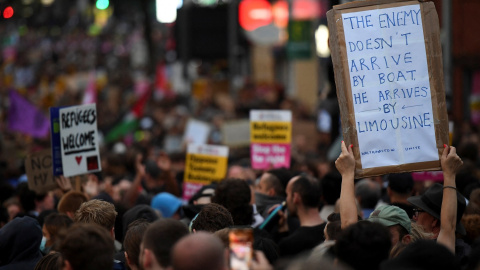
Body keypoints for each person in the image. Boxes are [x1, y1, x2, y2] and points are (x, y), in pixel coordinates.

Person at [407, 146, 469, 262]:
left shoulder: (435, 257)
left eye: (418, 212)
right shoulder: (466, 255)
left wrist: (449, 174)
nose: (414, 217)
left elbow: (448, 227)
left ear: (435, 222)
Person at [277, 175, 325, 257]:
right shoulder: (332, 232)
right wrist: (283, 230)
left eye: (287, 195)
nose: (286, 200)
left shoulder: (290, 244)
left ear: (296, 197)